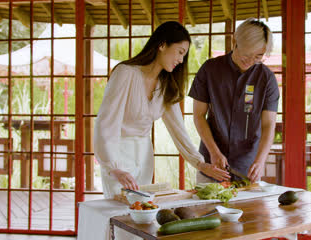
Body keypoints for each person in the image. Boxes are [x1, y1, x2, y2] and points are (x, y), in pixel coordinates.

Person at [94, 21, 230, 199]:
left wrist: (200, 163)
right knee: (116, 210)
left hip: (143, 155)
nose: (181, 60)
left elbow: (178, 130)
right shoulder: (125, 73)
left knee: (141, 209)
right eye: (180, 52)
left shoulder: (166, 86)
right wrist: (114, 167)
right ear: (162, 44)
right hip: (118, 153)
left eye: (184, 55)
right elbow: (106, 124)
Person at [189, 18, 279, 184]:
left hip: (248, 166)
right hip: (212, 165)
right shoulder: (210, 70)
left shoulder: (266, 79)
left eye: (258, 56)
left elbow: (268, 125)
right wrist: (214, 152)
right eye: (246, 54)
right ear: (234, 41)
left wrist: (260, 160)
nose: (251, 61)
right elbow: (199, 116)